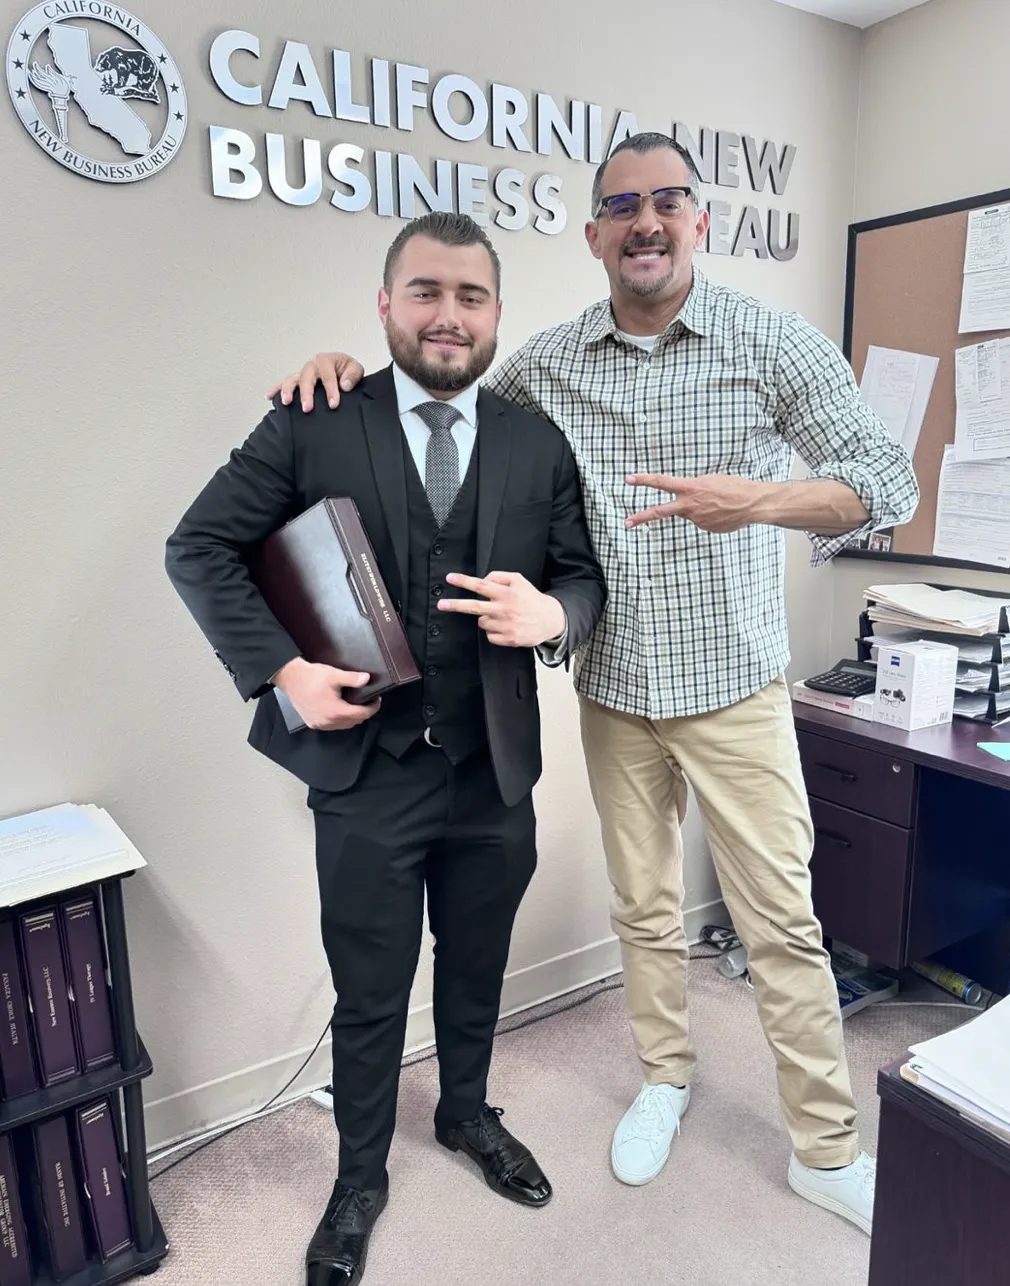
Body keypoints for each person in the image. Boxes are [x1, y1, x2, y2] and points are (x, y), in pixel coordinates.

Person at [269, 132, 921, 1239]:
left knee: (780, 923)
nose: (646, 221)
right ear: (594, 235)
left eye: (668, 199)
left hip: (732, 689)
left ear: (698, 221)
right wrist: (341, 374)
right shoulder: (549, 359)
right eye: (622, 205)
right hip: (611, 689)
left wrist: (755, 503)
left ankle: (824, 1147)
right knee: (644, 908)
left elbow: (884, 479)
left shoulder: (770, 342)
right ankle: (662, 1077)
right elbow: (447, 382)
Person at [165, 211, 607, 1286]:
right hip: (366, 775)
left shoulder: (533, 441)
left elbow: (582, 576)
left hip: (493, 772)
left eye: (469, 295)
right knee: (369, 989)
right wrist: (282, 671)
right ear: (385, 304)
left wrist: (552, 615)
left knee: (476, 966)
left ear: (495, 313)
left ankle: (464, 1114)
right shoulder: (314, 417)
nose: (447, 314)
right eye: (425, 291)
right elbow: (199, 545)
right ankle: (359, 1172)